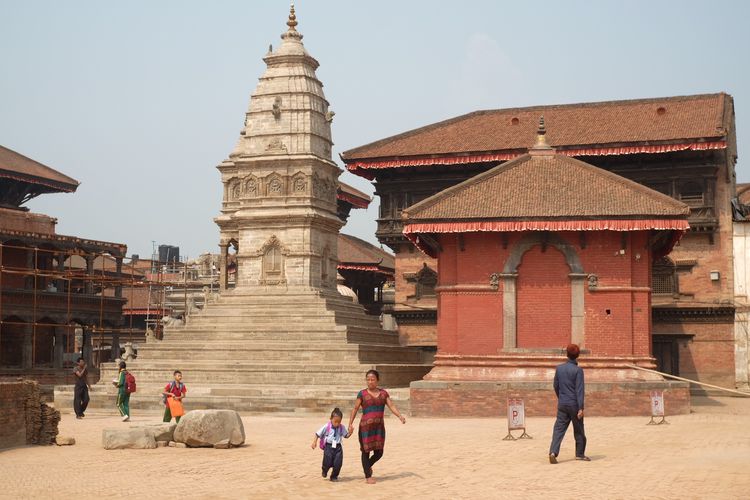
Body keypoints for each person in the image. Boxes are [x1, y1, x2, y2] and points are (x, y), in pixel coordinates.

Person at [347, 369, 406, 484]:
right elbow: (355, 409)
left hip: (379, 428)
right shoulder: (362, 394)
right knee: (366, 451)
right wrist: (350, 423)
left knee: (379, 452)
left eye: (372, 379)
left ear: (377, 380)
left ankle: (367, 466)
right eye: (368, 379)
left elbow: (391, 405)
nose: (370, 382)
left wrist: (400, 416)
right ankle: (368, 476)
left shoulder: (384, 393)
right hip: (365, 428)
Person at [549, 343, 590, 463]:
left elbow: (556, 385)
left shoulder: (559, 368)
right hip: (574, 405)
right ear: (577, 355)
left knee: (558, 429)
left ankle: (553, 452)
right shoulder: (578, 371)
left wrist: (561, 397)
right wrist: (581, 408)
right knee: (579, 430)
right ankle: (580, 454)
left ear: (567, 354)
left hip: (562, 403)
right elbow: (579, 390)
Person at [311, 407, 350, 482]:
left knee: (338, 463)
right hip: (328, 447)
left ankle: (334, 476)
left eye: (339, 422)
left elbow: (346, 436)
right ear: (331, 419)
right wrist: (314, 442)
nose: (337, 423)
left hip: (338, 447)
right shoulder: (327, 426)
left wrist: (350, 433)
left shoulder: (342, 427)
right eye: (335, 421)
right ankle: (324, 470)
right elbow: (317, 434)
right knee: (327, 462)